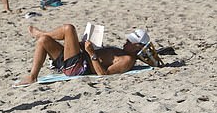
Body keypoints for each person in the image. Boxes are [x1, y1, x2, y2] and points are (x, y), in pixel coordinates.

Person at [16, 24, 146, 86]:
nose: (126, 41)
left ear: (138, 47)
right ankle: (32, 76)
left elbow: (103, 74)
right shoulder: (122, 51)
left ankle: (41, 33)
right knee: (43, 41)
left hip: (78, 67)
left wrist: (91, 53)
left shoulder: (127, 60)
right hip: (77, 59)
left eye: (130, 41)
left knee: (69, 29)